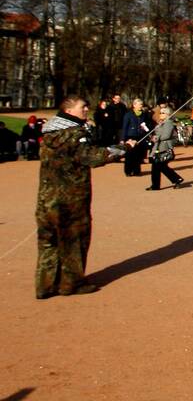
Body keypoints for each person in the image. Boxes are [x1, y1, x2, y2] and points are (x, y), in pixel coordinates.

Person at [35, 96, 124, 298]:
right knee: (74, 240)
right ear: (68, 110)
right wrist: (122, 149)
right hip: (70, 199)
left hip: (46, 199)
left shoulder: (49, 132)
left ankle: (45, 285)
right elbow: (91, 158)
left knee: (49, 241)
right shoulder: (76, 133)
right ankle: (71, 283)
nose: (86, 110)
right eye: (82, 107)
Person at [147, 106, 185, 191]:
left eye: (163, 113)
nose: (160, 114)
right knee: (159, 166)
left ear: (167, 115)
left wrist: (156, 137)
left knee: (159, 166)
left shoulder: (168, 123)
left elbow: (166, 135)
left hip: (164, 147)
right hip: (158, 147)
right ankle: (174, 180)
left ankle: (158, 184)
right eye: (160, 113)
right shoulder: (161, 123)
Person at [121, 98, 154, 177]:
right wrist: (122, 139)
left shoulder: (144, 114)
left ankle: (137, 170)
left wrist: (149, 132)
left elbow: (148, 125)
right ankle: (128, 171)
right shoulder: (128, 115)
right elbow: (124, 127)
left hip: (140, 136)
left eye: (141, 105)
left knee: (138, 154)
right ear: (134, 105)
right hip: (130, 137)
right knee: (129, 155)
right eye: (139, 105)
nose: (141, 106)